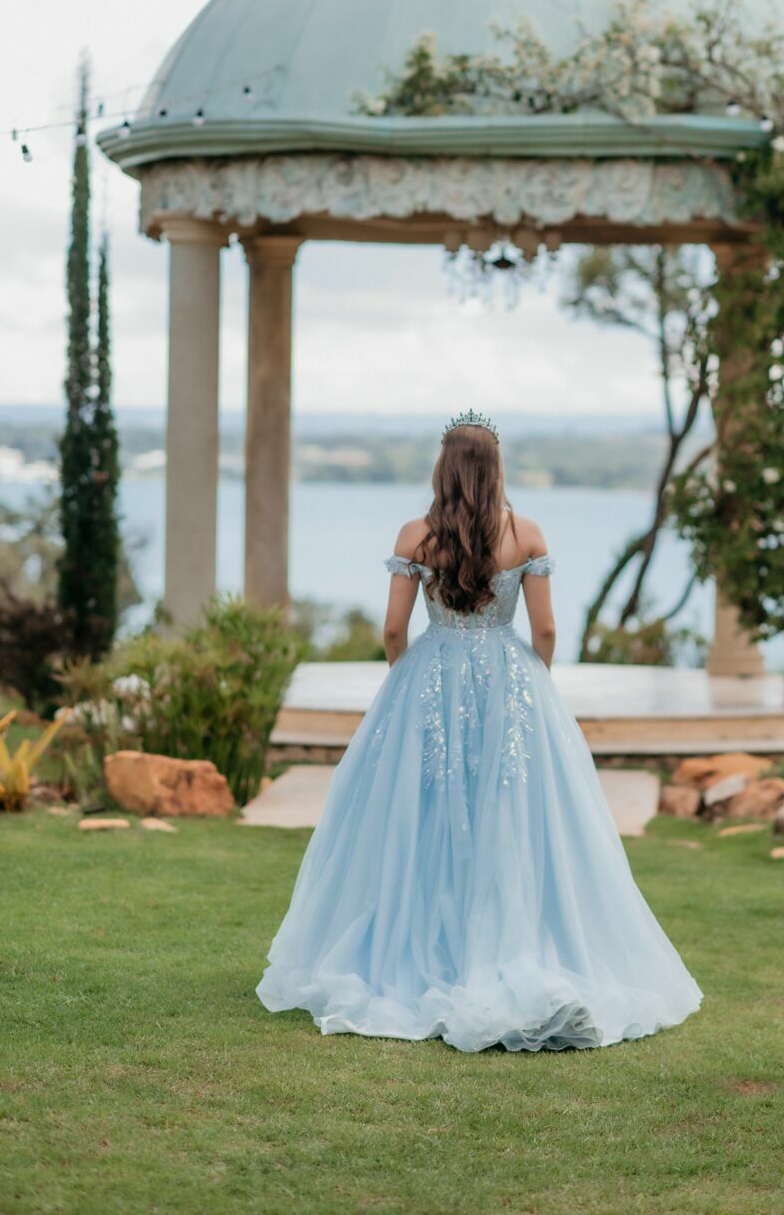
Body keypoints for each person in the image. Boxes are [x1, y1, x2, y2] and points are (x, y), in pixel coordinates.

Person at [256, 410, 703, 1051]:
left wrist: (407, 680)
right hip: (507, 679)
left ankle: (416, 951)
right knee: (514, 813)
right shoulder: (526, 534)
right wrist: (535, 683)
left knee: (419, 814)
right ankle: (509, 943)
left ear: (444, 469)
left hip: (430, 675)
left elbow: (393, 629)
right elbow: (545, 629)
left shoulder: (416, 535)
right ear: (494, 469)